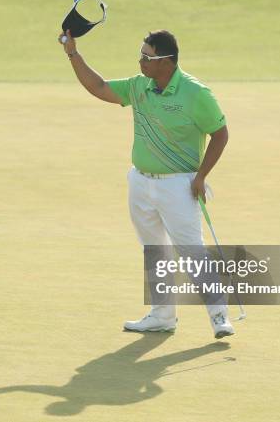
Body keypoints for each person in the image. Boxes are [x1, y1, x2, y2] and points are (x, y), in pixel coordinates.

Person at [58, 29, 234, 339]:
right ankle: (162, 315)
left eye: (146, 57)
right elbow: (98, 87)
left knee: (192, 251)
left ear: (166, 62)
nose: (140, 62)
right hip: (140, 182)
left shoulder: (196, 94)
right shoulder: (140, 87)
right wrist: (73, 53)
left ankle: (219, 315)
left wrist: (201, 176)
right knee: (155, 250)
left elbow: (220, 134)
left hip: (178, 185)